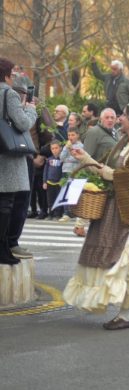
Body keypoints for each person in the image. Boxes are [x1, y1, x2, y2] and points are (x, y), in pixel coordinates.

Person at [63, 100, 129, 330]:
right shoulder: (123, 143)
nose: (120, 118)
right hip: (115, 208)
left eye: (124, 115)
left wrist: (107, 173)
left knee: (126, 263)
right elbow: (108, 168)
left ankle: (126, 314)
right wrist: (85, 159)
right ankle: (127, 309)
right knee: (109, 259)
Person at [0, 57, 37, 265]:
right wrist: (30, 109)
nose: (14, 77)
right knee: (7, 203)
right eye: (12, 74)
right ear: (6, 74)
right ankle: (4, 248)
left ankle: (5, 247)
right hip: (8, 155)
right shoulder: (9, 94)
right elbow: (23, 124)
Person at [58, 128, 84, 228]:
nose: (70, 137)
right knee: (65, 191)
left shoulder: (80, 146)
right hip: (65, 170)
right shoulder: (66, 145)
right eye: (69, 135)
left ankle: (74, 212)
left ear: (77, 135)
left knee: (74, 193)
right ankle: (66, 213)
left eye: (73, 135)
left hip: (75, 171)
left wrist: (68, 157)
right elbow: (61, 158)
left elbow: (77, 158)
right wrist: (66, 148)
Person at [43, 141, 63, 220]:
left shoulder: (62, 159)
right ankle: (50, 214)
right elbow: (45, 171)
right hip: (50, 182)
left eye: (56, 148)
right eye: (53, 148)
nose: (54, 150)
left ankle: (58, 214)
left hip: (59, 183)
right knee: (50, 199)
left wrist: (62, 180)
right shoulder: (49, 159)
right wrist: (44, 181)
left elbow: (63, 171)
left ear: (60, 148)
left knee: (58, 198)